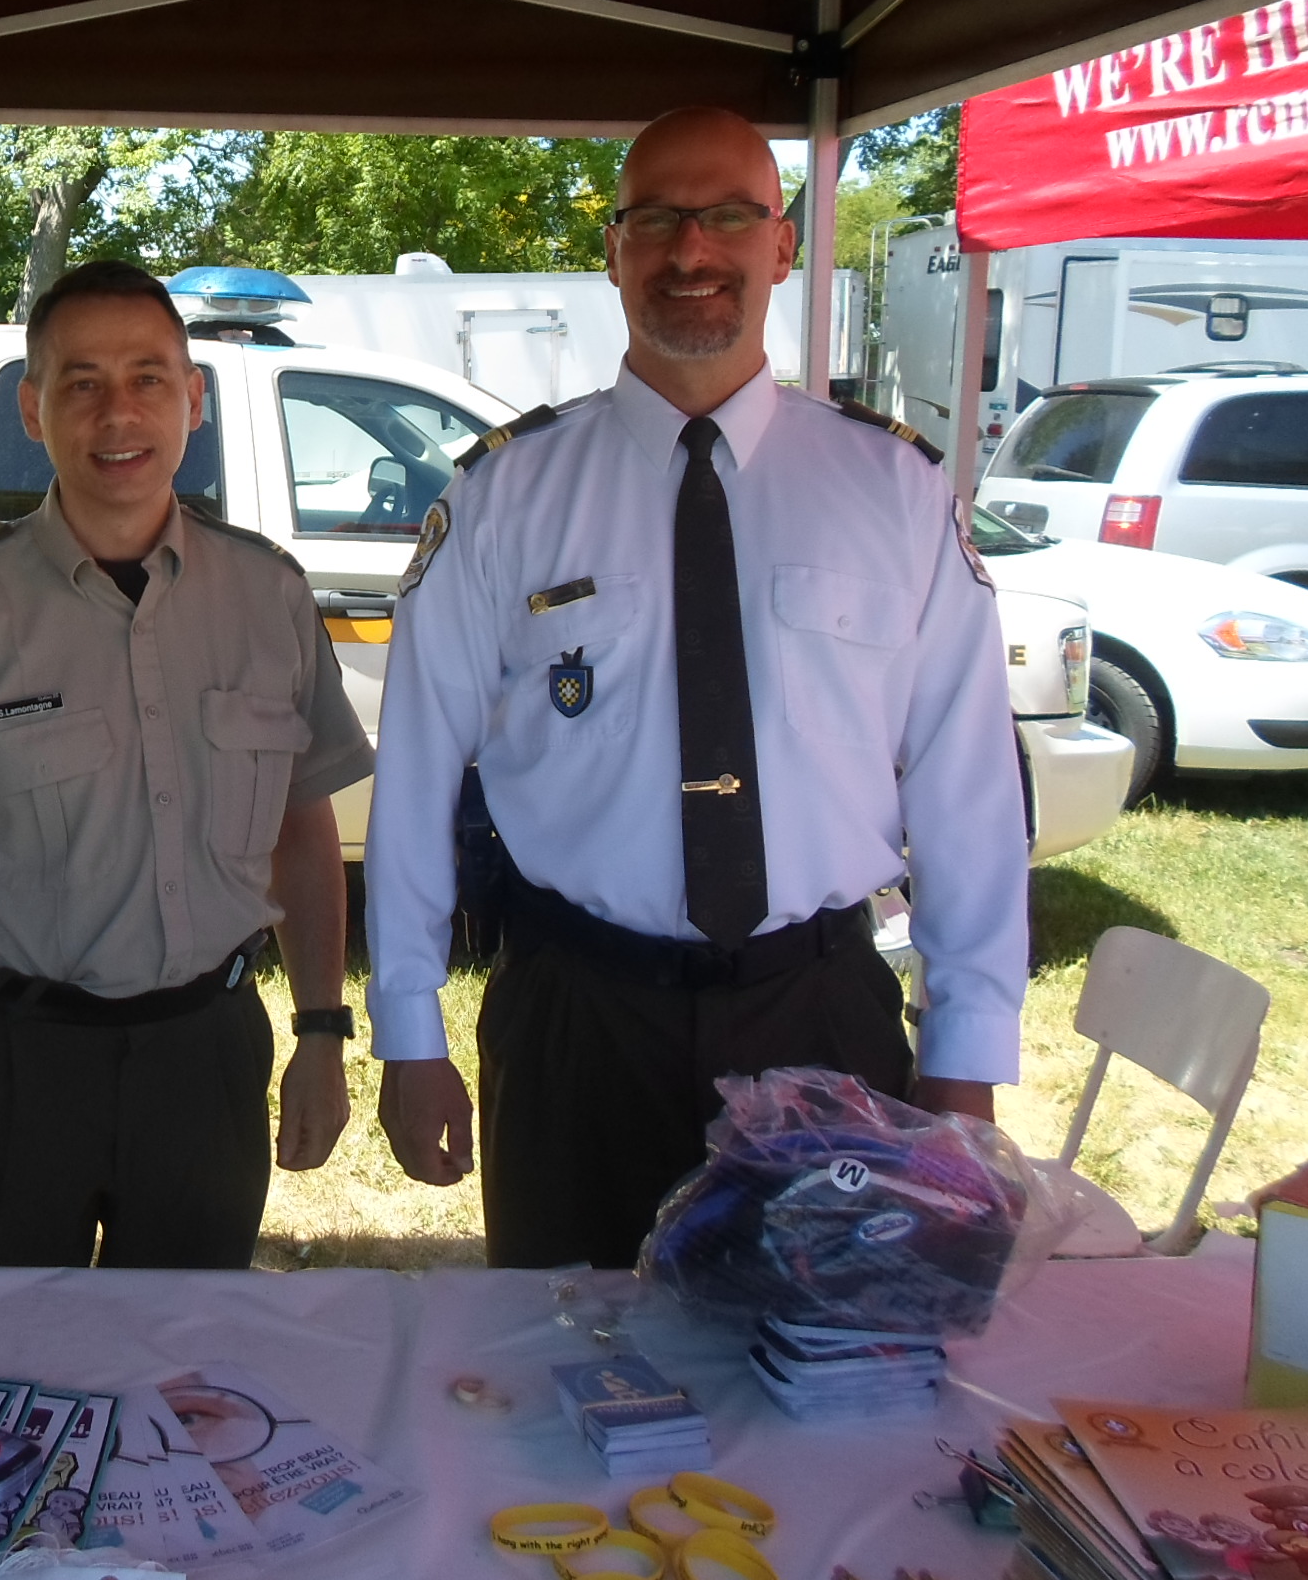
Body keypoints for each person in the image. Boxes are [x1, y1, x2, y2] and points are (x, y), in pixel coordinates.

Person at [365, 106, 1028, 1269]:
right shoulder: (507, 496)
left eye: (728, 215)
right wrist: (409, 1030)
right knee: (561, 1358)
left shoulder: (894, 491)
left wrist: (966, 1057)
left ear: (783, 244)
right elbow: (416, 773)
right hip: (578, 1019)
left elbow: (967, 790)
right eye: (657, 220)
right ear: (613, 250)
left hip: (820, 1016)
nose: (691, 250)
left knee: (825, 1359)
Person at [0, 261, 373, 1268]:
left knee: (186, 1351)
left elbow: (302, 830)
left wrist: (321, 1032)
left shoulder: (269, 597)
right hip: (12, 1066)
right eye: (80, 382)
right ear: (32, 409)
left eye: (147, 378)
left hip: (206, 1060)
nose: (117, 413)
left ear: (194, 400)